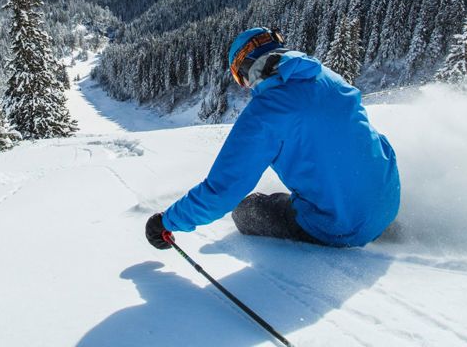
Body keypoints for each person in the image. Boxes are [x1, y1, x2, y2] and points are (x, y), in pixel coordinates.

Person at [146, 27, 400, 250]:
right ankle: (371, 216)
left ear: (245, 71)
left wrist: (166, 221)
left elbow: (221, 191)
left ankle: (345, 220)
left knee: (246, 210)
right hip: (389, 199)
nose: (243, 86)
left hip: (341, 227)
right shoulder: (328, 77)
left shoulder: (265, 113)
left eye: (239, 78)